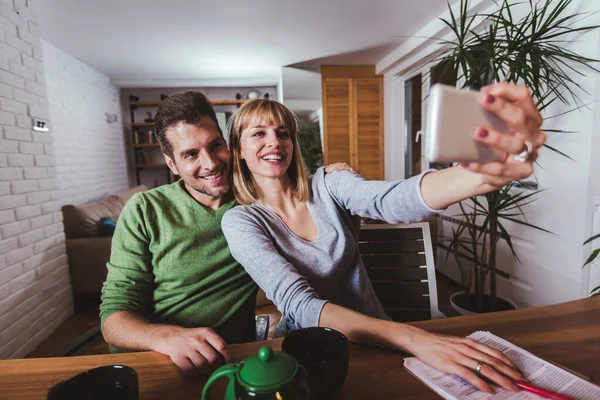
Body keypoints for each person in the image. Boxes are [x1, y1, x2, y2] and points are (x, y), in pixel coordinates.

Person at [221, 82, 546, 395]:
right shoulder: (241, 221)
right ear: (238, 151)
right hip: (309, 351)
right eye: (259, 134)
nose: (275, 142)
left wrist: (485, 172)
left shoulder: (329, 182)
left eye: (283, 133)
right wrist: (415, 338)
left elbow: (390, 200)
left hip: (380, 336)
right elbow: (299, 304)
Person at [99, 90, 353, 376]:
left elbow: (295, 184)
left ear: (230, 144)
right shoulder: (145, 209)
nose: (210, 163)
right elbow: (114, 318)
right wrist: (167, 338)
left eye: (215, 145)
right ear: (172, 164)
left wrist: (326, 178)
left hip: (232, 358)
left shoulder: (257, 202)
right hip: (154, 358)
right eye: (191, 154)